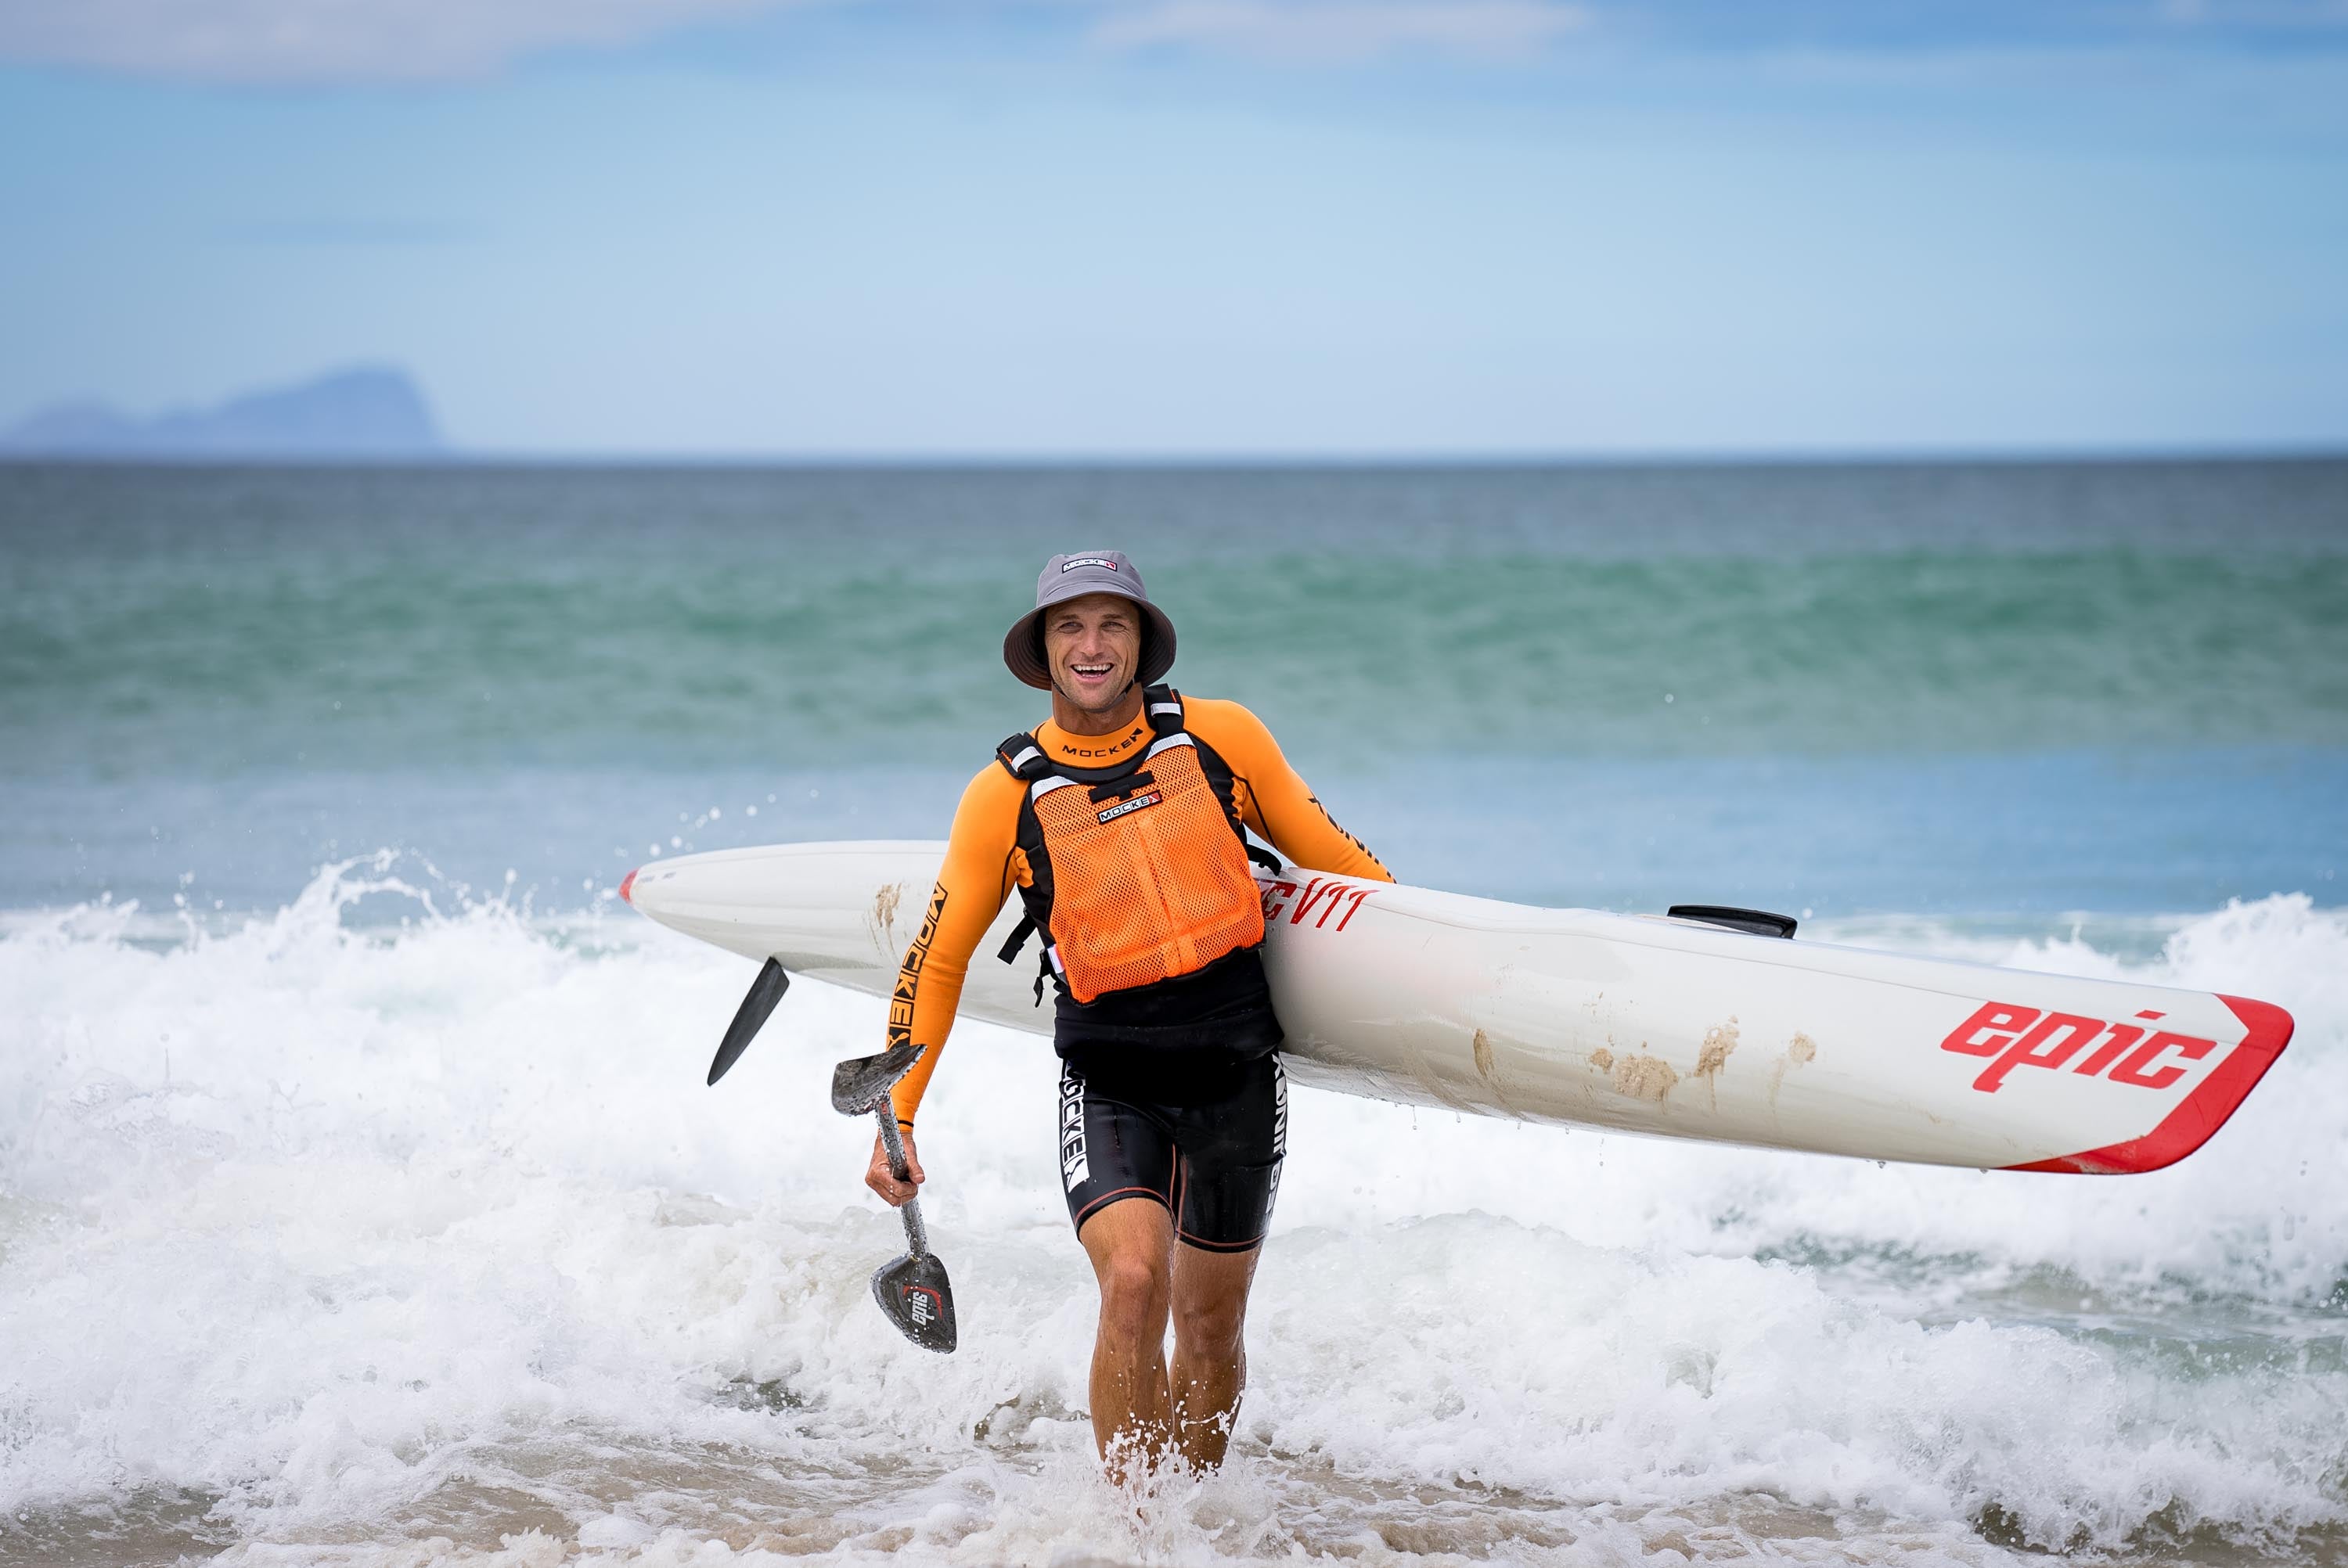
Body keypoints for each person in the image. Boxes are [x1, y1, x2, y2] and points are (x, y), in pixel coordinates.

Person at [864, 549, 1391, 1478]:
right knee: (1134, 1284)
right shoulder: (1006, 795)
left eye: (1113, 624)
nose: (1093, 645)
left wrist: (1447, 949)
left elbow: (1336, 856)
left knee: (1212, 1328)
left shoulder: (1222, 739)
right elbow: (936, 961)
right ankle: (1131, 1526)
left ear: (1143, 641)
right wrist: (897, 1119)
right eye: (1071, 626)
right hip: (1112, 1082)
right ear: (1043, 650)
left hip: (1236, 1075)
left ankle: (1190, 1514)